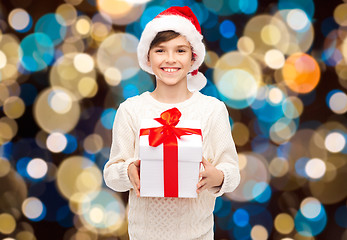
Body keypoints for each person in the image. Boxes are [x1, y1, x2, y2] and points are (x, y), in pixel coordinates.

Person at [103, 6, 240, 240]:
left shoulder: (212, 110)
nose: (170, 59)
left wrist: (218, 178)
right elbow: (111, 174)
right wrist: (128, 171)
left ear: (193, 56)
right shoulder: (131, 110)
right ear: (148, 56)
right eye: (160, 50)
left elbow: (232, 171)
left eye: (180, 50)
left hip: (198, 235)